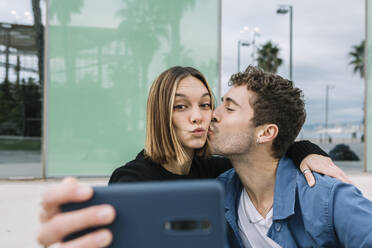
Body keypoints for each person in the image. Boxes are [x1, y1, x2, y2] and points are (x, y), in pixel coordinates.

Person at [37, 66, 350, 248]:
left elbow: (261, 148)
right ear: (161, 114)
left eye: (205, 104)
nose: (200, 117)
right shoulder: (132, 179)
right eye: (181, 106)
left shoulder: (217, 170)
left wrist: (306, 150)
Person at [210, 66, 372, 247]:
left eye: (230, 108)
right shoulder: (217, 194)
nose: (213, 114)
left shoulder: (327, 198)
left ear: (266, 133)